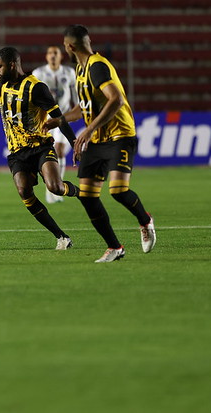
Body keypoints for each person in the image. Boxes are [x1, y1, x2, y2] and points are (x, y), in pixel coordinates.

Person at [0, 47, 80, 250]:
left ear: (12, 64)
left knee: (55, 187)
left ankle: (81, 192)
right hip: (17, 152)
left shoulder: (36, 87)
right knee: (24, 192)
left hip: (40, 147)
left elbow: (59, 117)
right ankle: (61, 237)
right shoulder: (1, 85)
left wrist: (74, 143)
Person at [47, 24, 156, 263]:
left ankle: (145, 221)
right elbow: (83, 107)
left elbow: (115, 99)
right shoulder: (80, 68)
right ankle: (114, 247)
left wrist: (88, 129)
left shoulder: (97, 66)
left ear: (69, 46)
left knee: (117, 191)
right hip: (97, 139)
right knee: (86, 195)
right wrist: (60, 120)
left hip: (119, 135)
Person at [33, 46, 78, 204]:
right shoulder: (38, 73)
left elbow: (75, 96)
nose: (53, 55)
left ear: (60, 56)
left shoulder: (69, 73)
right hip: (44, 119)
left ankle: (57, 186)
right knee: (46, 153)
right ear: (46, 56)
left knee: (59, 149)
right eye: (50, 53)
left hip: (62, 118)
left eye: (56, 53)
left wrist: (76, 112)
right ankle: (51, 186)